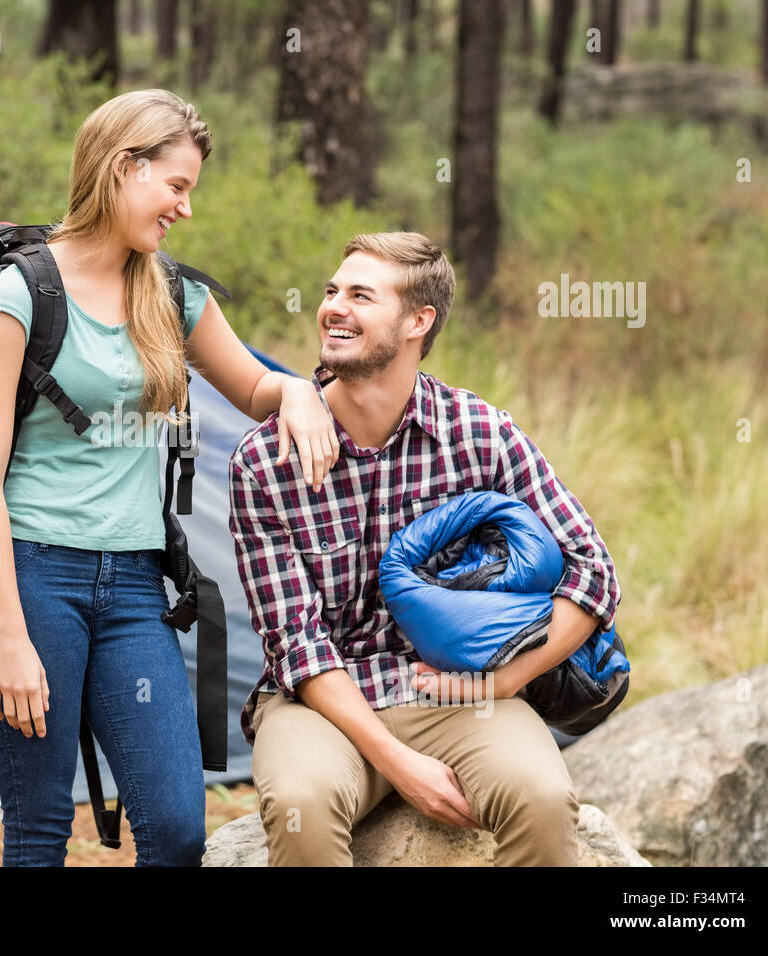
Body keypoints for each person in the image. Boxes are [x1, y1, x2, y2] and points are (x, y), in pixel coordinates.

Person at [0, 89, 338, 867]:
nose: (184, 210)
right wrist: (8, 637)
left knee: (174, 828)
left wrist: (296, 389)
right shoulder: (15, 297)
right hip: (31, 576)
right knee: (37, 831)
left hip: (135, 586)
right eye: (177, 185)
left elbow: (254, 387)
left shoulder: (172, 293)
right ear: (125, 168)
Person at [228, 231, 622, 866]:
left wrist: (503, 683)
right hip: (322, 704)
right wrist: (402, 766)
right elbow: (293, 642)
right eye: (332, 291)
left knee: (544, 799)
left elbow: (594, 571)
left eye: (360, 295)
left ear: (418, 321)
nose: (333, 307)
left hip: (456, 694)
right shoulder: (263, 460)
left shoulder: (479, 434)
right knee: (302, 807)